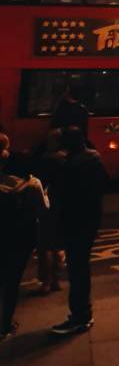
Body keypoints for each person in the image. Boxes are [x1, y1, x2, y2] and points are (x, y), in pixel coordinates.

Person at [51, 127, 109, 335]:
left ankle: (80, 316)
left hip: (75, 222)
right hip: (90, 221)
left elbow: (61, 194)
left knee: (77, 270)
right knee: (80, 267)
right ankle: (82, 313)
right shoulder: (94, 158)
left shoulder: (70, 164)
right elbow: (104, 184)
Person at [1, 133, 48, 339]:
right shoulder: (32, 183)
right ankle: (5, 323)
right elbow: (42, 209)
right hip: (23, 236)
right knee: (12, 281)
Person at [34, 127, 67, 295]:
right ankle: (57, 279)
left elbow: (40, 184)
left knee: (45, 245)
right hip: (64, 205)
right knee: (59, 245)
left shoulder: (46, 160)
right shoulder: (67, 160)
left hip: (49, 204)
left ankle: (45, 281)